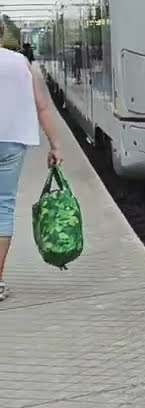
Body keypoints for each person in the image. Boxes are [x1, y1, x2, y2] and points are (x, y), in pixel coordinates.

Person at [0, 45, 62, 301]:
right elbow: (42, 106)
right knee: (3, 208)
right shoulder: (19, 62)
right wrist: (55, 144)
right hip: (12, 142)